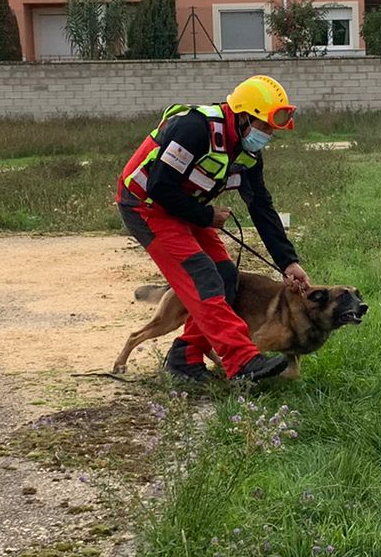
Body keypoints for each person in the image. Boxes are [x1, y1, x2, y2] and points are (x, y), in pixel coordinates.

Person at [117, 74, 309, 386]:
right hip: (146, 206)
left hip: (185, 210)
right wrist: (206, 215)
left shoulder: (248, 154)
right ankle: (242, 360)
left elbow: (261, 206)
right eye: (264, 127)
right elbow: (160, 186)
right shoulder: (195, 129)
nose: (268, 135)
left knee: (225, 276)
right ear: (244, 116)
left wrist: (288, 262)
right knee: (202, 276)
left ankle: (185, 357)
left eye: (272, 130)